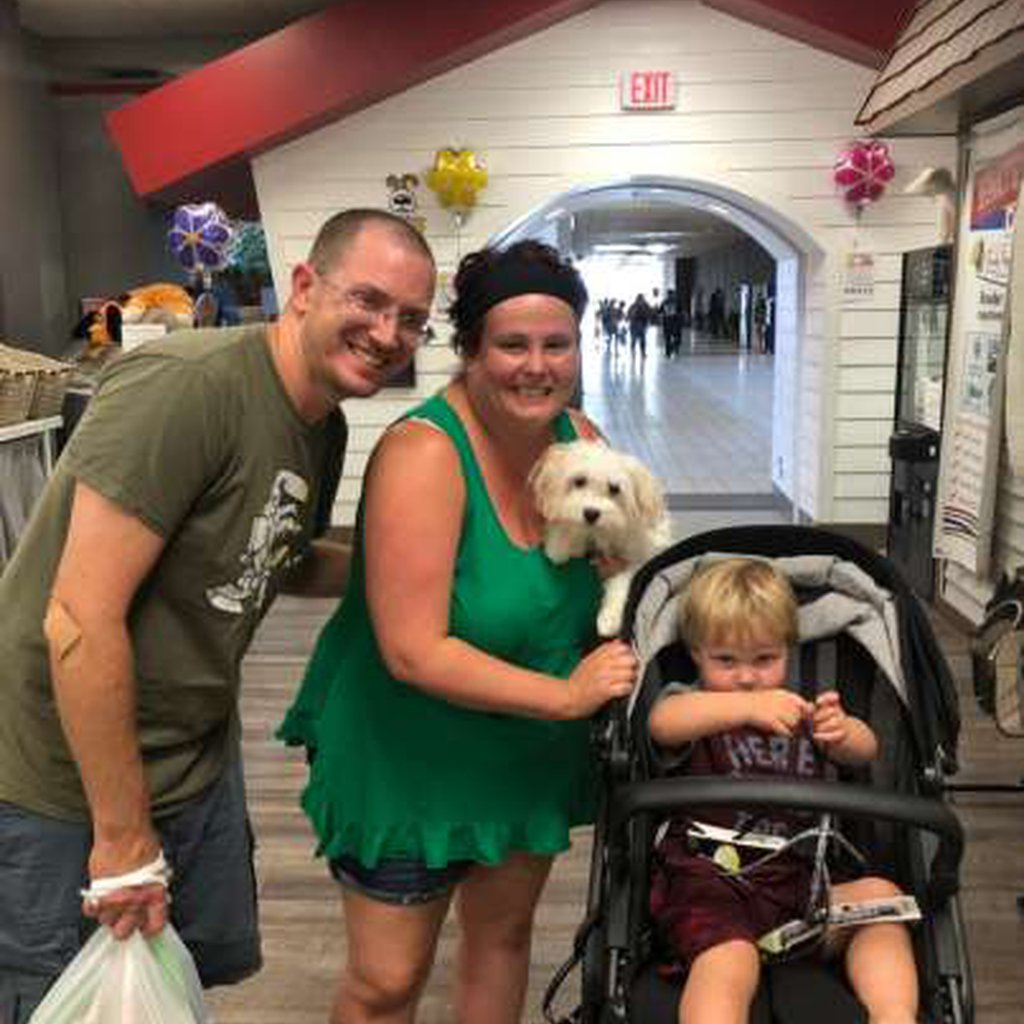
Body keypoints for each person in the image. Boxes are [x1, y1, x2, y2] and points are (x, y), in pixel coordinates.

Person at [0, 208, 436, 1021]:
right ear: (304, 287)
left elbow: (276, 554)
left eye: (411, 318)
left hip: (190, 761)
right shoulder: (188, 386)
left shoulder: (320, 426)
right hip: (63, 783)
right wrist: (122, 835)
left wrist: (433, 571)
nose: (387, 332)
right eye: (369, 301)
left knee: (169, 993)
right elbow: (78, 615)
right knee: (61, 1000)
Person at [279, 239, 638, 1024]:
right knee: (387, 981)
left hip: (524, 753)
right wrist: (568, 695)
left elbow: (612, 559)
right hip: (412, 753)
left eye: (556, 344)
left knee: (503, 940)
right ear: (470, 351)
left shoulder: (580, 441)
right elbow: (413, 650)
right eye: (511, 345)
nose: (536, 365)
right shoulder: (423, 453)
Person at [648, 558, 919, 1024]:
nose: (748, 676)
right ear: (696, 653)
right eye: (726, 660)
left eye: (764, 659)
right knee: (728, 961)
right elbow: (662, 723)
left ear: (788, 651)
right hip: (708, 883)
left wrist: (842, 731)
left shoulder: (802, 715)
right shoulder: (692, 705)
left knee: (880, 898)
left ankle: (894, 1016)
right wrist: (746, 707)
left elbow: (867, 751)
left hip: (799, 891)